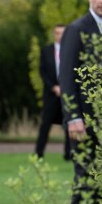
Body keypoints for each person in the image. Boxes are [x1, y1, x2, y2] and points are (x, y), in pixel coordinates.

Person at [59, 0, 102, 204]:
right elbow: (66, 77)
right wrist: (73, 118)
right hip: (85, 124)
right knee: (85, 186)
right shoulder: (77, 30)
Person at [34, 24, 71, 161]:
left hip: (67, 94)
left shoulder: (72, 51)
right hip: (51, 95)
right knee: (45, 124)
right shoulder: (46, 51)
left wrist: (65, 87)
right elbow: (42, 72)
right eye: (57, 33)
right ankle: (38, 153)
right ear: (54, 34)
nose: (60, 36)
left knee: (69, 124)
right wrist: (54, 87)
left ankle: (69, 154)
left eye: (62, 33)